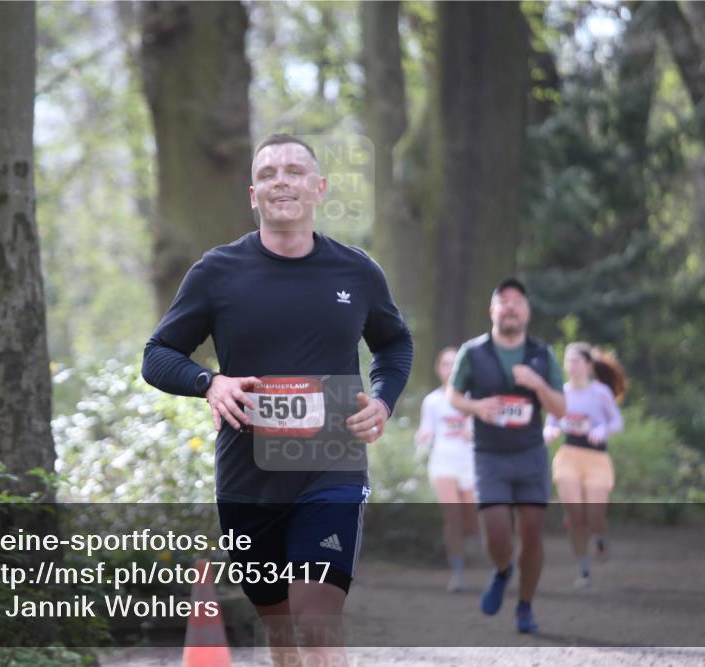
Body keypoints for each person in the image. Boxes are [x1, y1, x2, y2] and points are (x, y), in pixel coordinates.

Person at [142, 133, 413, 666]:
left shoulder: (356, 272)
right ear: (253, 194)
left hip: (331, 469)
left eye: (294, 171)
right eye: (268, 173)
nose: (281, 180)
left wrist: (382, 400)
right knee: (282, 629)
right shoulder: (216, 273)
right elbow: (158, 354)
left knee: (316, 619)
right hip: (248, 478)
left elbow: (394, 342)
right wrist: (210, 383)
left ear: (318, 188)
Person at [447, 277, 565, 634]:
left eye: (518, 302)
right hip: (490, 457)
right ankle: (502, 570)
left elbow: (561, 406)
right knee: (496, 535)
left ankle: (525, 607)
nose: (511, 306)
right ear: (493, 310)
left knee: (532, 535)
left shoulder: (542, 355)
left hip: (530, 456)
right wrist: (476, 406)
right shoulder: (473, 352)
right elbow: (454, 396)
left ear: (527, 312)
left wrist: (537, 383)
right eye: (504, 301)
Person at [544, 342, 625, 589]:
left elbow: (617, 423)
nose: (571, 366)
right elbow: (551, 421)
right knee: (575, 515)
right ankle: (583, 569)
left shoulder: (601, 392)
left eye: (576, 361)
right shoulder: (560, 392)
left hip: (597, 459)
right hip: (569, 455)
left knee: (594, 517)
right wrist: (550, 430)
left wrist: (602, 428)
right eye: (568, 361)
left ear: (588, 365)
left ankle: (599, 537)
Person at [415, 346, 479, 592]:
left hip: (470, 463)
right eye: (445, 364)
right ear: (438, 369)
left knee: (471, 517)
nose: (449, 368)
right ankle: (458, 573)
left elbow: (484, 425)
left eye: (454, 364)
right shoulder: (432, 401)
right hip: (443, 462)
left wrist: (471, 430)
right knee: (452, 516)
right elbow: (425, 430)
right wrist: (423, 436)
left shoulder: (473, 397)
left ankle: (476, 537)